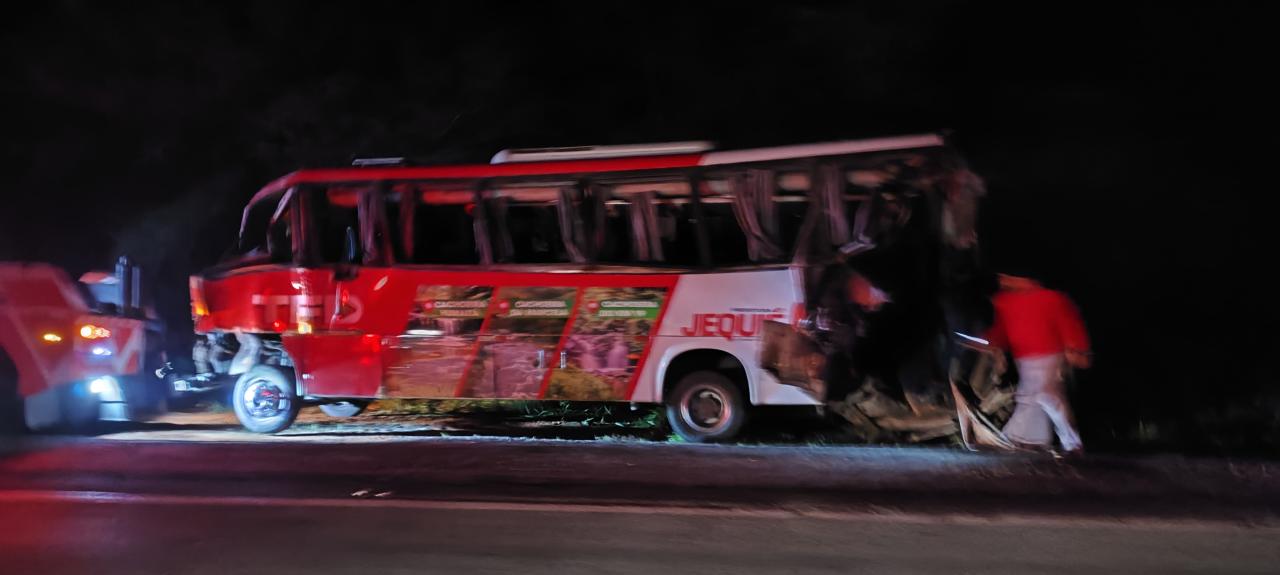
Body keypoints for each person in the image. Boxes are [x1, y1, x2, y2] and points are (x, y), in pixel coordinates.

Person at [986, 272, 1091, 454]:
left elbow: (1068, 323)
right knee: (1036, 397)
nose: (1003, 281)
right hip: (1024, 358)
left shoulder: (1051, 298)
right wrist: (989, 343)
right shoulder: (1004, 302)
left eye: (1008, 277)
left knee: (1044, 395)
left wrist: (1076, 348)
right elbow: (1000, 330)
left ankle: (1018, 437)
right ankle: (1033, 440)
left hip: (1050, 356)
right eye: (1002, 277)